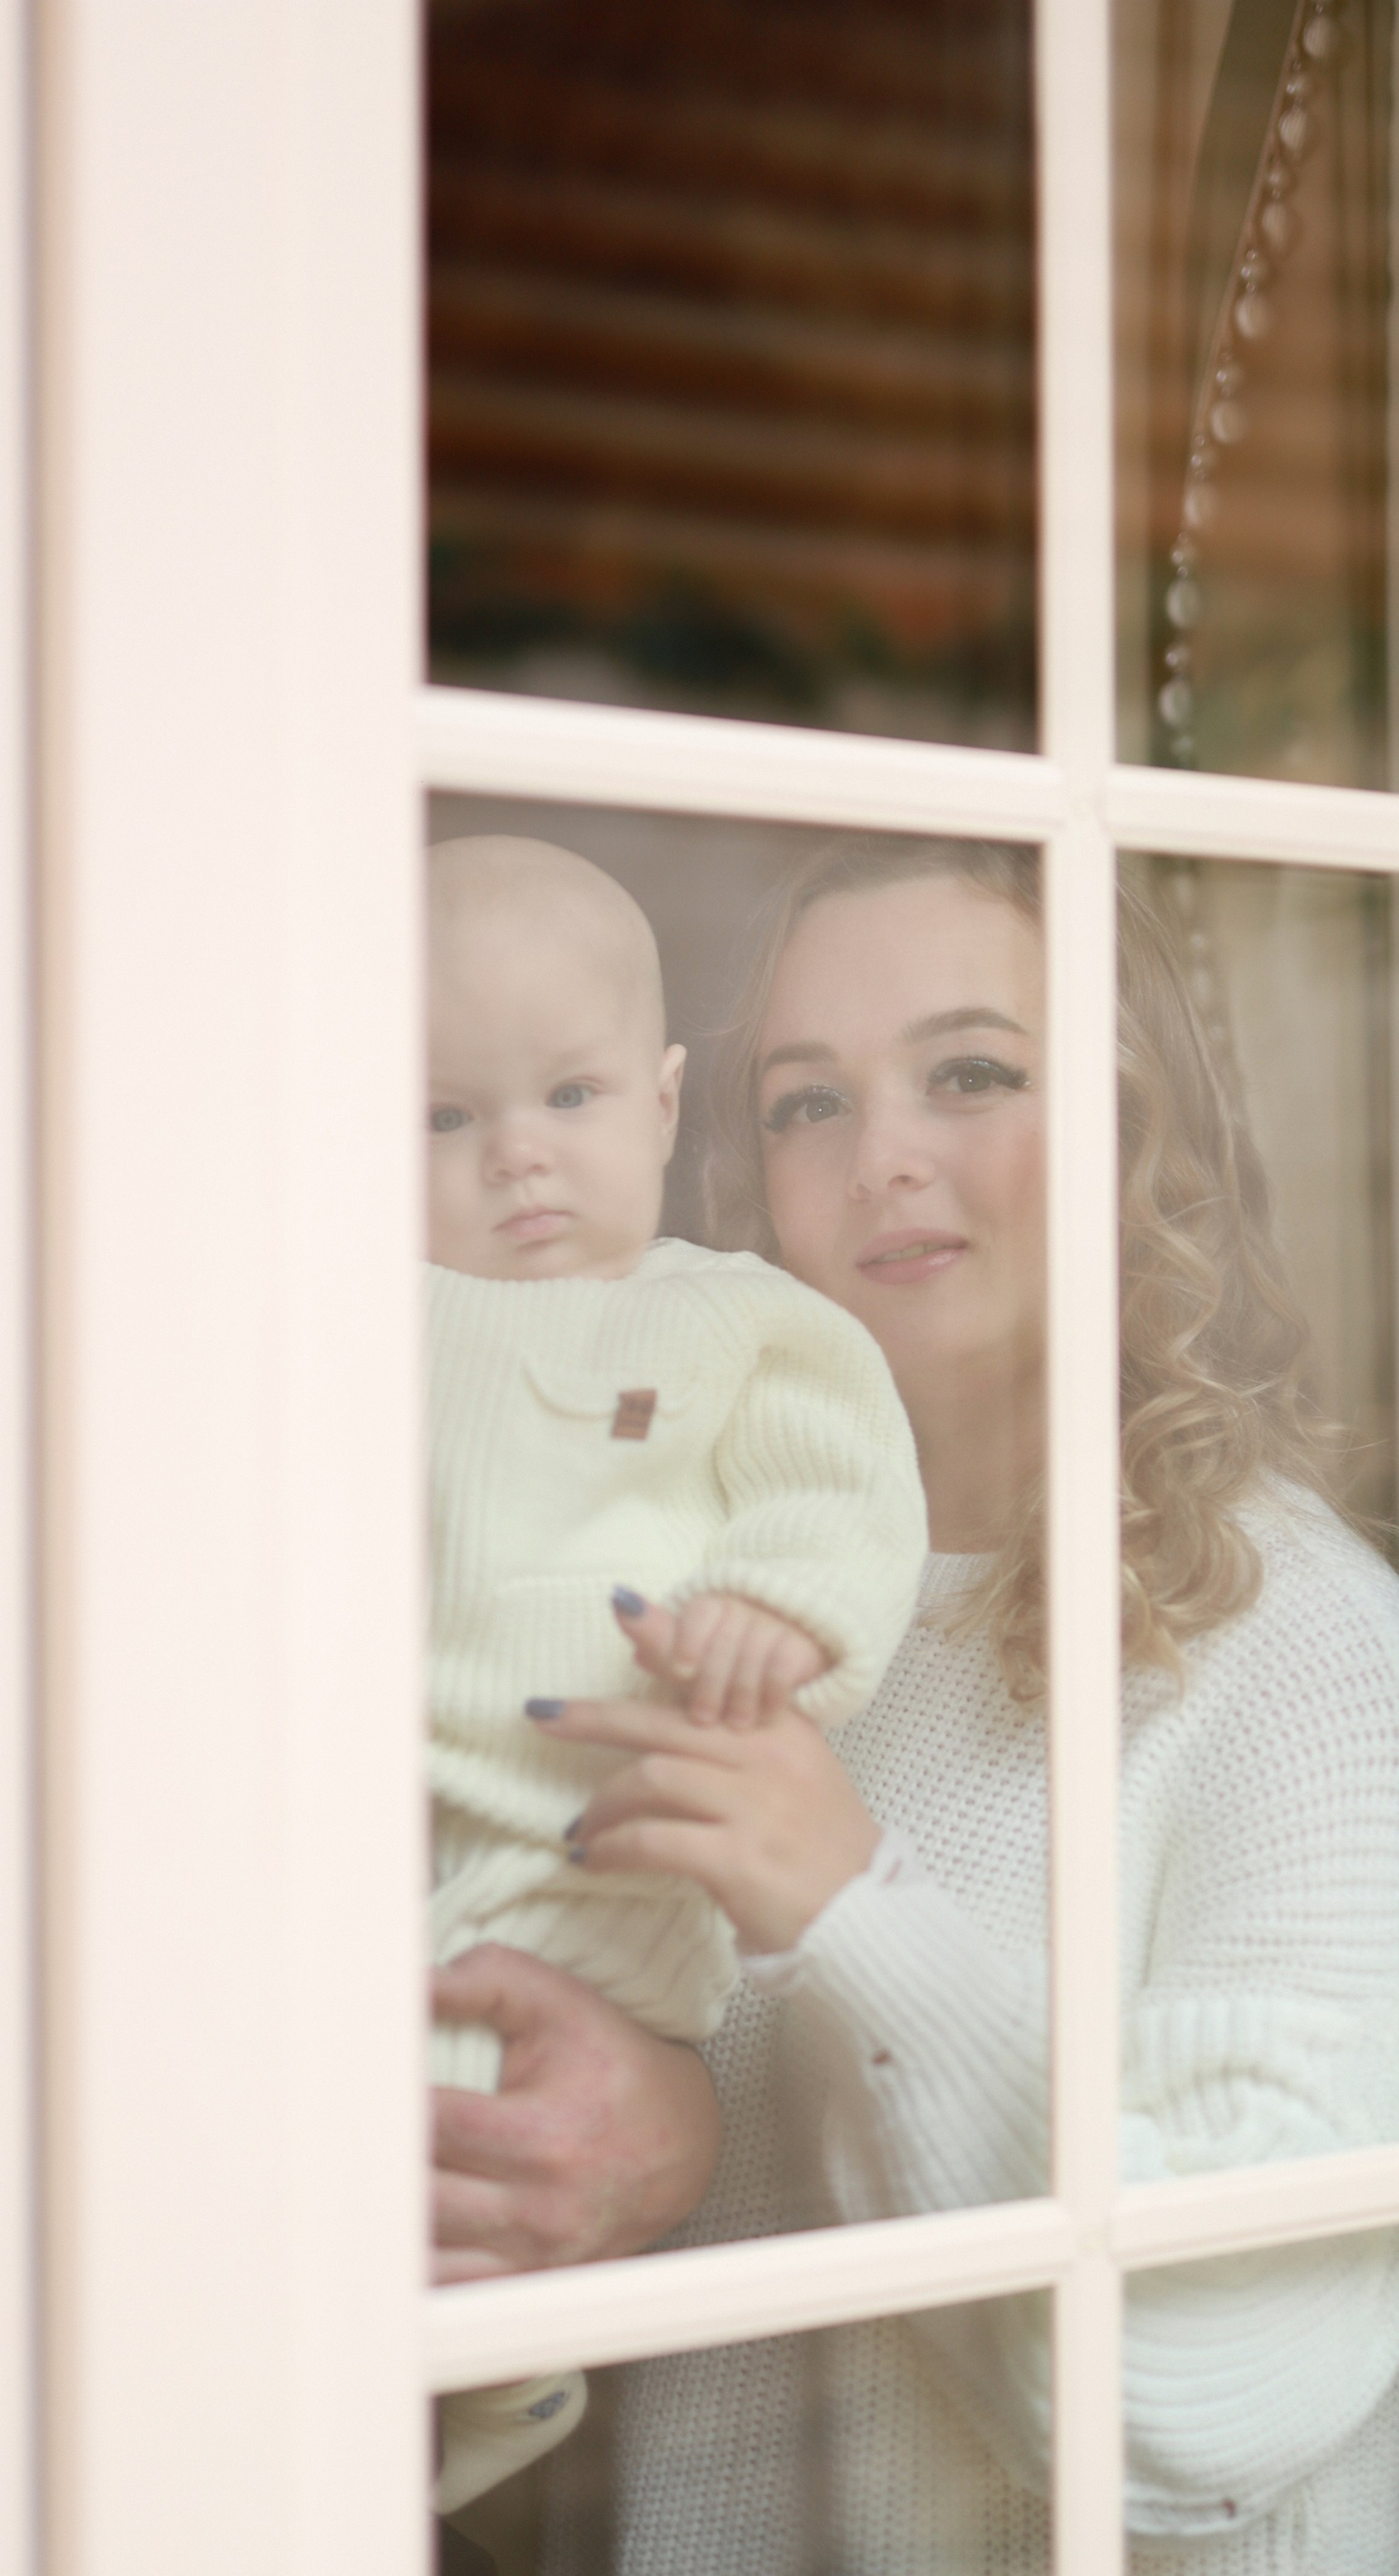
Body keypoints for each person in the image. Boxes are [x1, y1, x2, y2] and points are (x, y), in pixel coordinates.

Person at [434, 837, 1399, 2574]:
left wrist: (849, 1900)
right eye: (807, 1104)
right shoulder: (672, 1605)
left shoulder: (1314, 1659)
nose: (883, 1158)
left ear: (1138, 1132)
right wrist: (644, 2138)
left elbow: (1212, 2390)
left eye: (968, 1074)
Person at [424, 835, 926, 2514]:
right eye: (441, 1120)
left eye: (566, 1098)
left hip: (596, 1859)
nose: (516, 1164)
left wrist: (773, 1610)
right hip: (399, 1824)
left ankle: (484, 2394)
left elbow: (832, 1486)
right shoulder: (349, 1313)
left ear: (658, 1104)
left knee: (452, 2146)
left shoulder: (725, 1321)